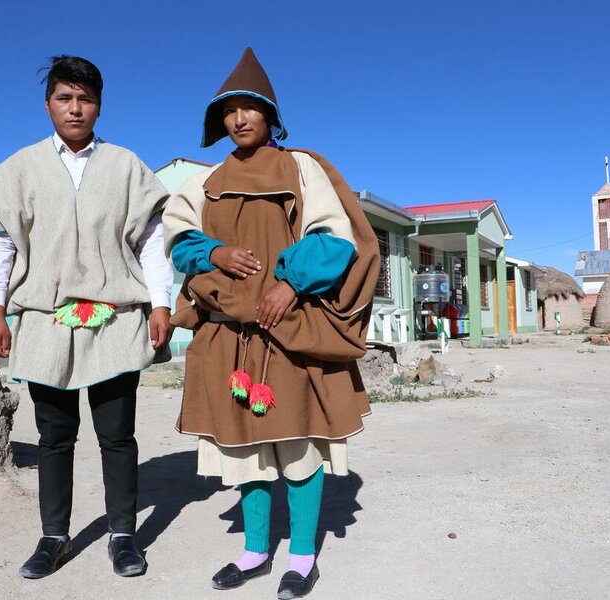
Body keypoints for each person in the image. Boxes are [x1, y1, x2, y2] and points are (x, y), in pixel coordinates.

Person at [162, 48, 380, 599]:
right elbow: (179, 239)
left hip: (289, 331)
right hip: (227, 335)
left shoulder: (301, 169)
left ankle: (302, 557)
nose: (240, 119)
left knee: (296, 445)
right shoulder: (206, 180)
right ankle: (256, 551)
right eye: (230, 110)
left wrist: (290, 282)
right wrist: (214, 254)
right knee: (245, 451)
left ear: (269, 115)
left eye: (250, 108)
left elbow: (337, 238)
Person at [0, 55, 173, 580]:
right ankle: (53, 538)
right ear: (48, 105)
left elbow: (152, 244)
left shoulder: (127, 166)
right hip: (46, 317)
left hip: (116, 318)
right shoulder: (20, 169)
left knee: (117, 434)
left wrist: (161, 303)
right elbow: (1, 248)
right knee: (54, 437)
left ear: (99, 106)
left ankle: (123, 536)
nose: (75, 108)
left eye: (85, 98)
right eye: (65, 97)